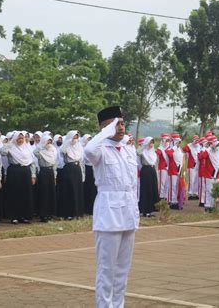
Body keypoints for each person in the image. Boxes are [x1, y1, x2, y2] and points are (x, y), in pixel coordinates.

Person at [84, 106, 139, 308]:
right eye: (117, 124)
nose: (121, 127)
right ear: (105, 128)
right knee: (106, 271)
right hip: (108, 216)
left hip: (128, 213)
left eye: (122, 123)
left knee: (122, 271)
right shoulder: (99, 150)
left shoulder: (128, 149)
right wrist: (107, 132)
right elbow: (88, 150)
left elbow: (133, 184)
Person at [1, 131, 36, 224]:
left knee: (25, 193)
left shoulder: (27, 148)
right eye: (19, 138)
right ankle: (14, 216)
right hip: (14, 171)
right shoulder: (11, 147)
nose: (20, 140)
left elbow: (32, 162)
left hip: (25, 171)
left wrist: (33, 175)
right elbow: (2, 152)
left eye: (22, 138)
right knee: (14, 193)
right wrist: (9, 144)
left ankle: (24, 216)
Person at [59, 130, 85, 220]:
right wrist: (68, 142)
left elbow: (81, 161)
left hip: (77, 168)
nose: (75, 139)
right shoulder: (65, 146)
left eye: (77, 137)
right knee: (69, 190)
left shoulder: (79, 147)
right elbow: (62, 152)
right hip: (69, 168)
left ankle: (77, 212)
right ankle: (69, 213)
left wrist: (82, 173)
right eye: (74, 137)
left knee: (77, 190)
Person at [34, 134, 58, 222]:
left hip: (51, 172)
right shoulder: (40, 151)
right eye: (47, 141)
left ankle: (50, 214)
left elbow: (54, 164)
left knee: (51, 193)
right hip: (43, 172)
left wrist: (55, 176)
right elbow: (35, 152)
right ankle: (43, 215)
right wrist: (42, 145)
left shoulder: (52, 151)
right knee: (44, 193)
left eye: (50, 141)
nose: (49, 143)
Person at [198, 135, 219, 212]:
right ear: (211, 144)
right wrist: (207, 148)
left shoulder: (218, 151)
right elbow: (200, 157)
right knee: (209, 190)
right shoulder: (208, 151)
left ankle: (213, 206)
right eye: (215, 144)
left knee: (216, 191)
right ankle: (207, 206)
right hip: (209, 175)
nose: (217, 145)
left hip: (217, 174)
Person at [137, 137, 159, 217]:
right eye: (150, 142)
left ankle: (150, 210)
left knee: (152, 190)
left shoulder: (153, 152)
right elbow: (138, 155)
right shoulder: (142, 152)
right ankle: (144, 210)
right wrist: (144, 146)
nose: (151, 144)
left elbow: (154, 163)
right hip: (145, 171)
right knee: (145, 190)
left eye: (152, 142)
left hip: (152, 171)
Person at [165, 133, 183, 209]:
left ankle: (175, 200)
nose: (179, 144)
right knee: (172, 186)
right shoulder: (170, 149)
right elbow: (169, 154)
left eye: (179, 142)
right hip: (172, 170)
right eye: (177, 142)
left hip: (179, 170)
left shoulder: (179, 150)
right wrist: (175, 146)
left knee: (176, 186)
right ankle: (172, 201)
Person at [81, 134, 97, 215]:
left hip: (94, 169)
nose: (89, 141)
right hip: (87, 169)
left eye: (91, 139)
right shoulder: (83, 149)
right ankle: (86, 209)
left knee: (93, 189)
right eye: (88, 139)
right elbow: (86, 159)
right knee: (87, 189)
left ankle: (92, 208)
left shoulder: (93, 148)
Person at [183, 135, 200, 200]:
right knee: (191, 180)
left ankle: (195, 193)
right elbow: (184, 149)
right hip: (191, 166)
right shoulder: (189, 146)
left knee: (196, 180)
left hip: (198, 165)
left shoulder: (199, 146)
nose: (196, 141)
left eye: (197, 140)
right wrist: (190, 145)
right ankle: (190, 194)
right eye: (195, 140)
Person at [156, 133, 170, 200]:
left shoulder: (170, 148)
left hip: (168, 168)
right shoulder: (160, 149)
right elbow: (157, 153)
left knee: (167, 183)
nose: (167, 142)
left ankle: (166, 196)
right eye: (166, 141)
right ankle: (160, 196)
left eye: (168, 141)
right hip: (162, 168)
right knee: (162, 183)